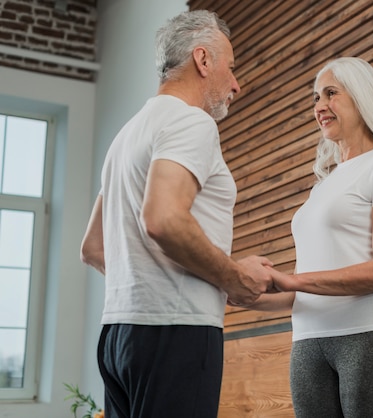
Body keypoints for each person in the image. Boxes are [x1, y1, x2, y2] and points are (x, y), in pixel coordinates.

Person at [79, 10, 275, 418]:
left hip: (118, 335)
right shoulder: (192, 122)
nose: (236, 84)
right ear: (203, 60)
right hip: (176, 333)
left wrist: (147, 283)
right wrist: (235, 279)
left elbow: (94, 248)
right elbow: (164, 219)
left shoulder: (126, 135)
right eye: (231, 68)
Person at [245, 56, 373, 418]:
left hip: (372, 337)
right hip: (308, 343)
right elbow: (302, 291)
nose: (320, 106)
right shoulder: (323, 186)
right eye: (315, 98)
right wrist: (243, 293)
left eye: (331, 93)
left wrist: (290, 279)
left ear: (361, 98)